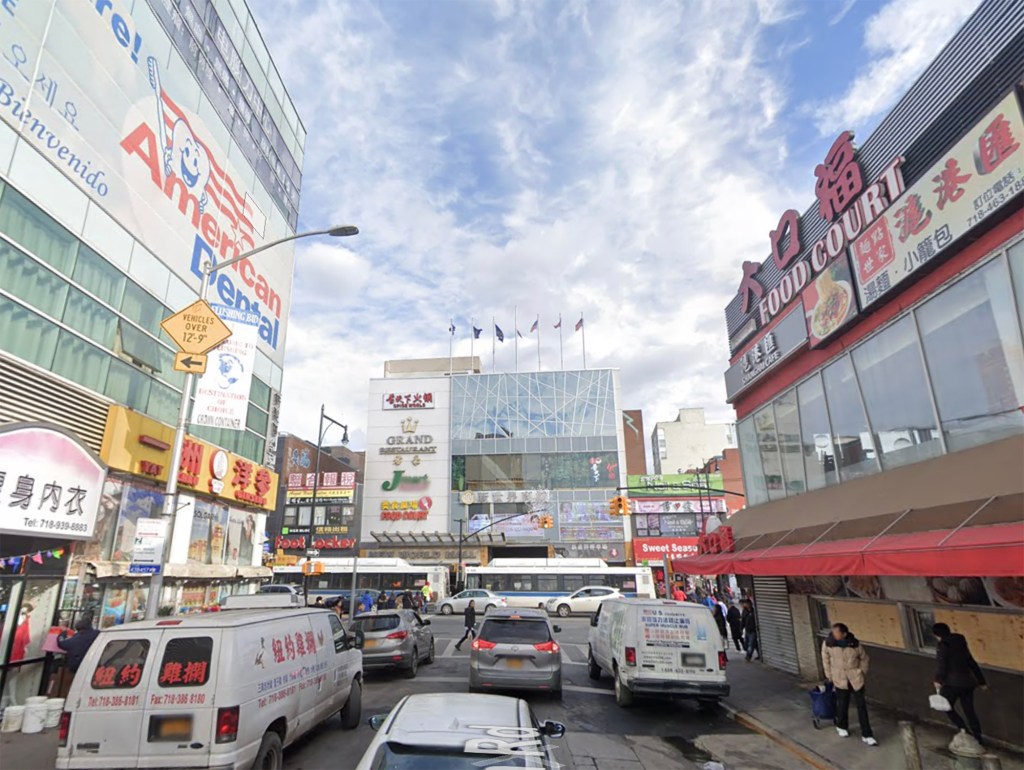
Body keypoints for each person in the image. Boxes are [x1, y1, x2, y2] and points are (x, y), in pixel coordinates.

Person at [822, 623, 876, 746]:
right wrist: (829, 674)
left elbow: (864, 658)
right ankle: (842, 726)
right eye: (833, 632)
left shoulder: (854, 644)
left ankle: (867, 734)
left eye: (837, 632)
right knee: (842, 703)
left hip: (855, 678)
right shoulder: (829, 643)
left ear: (844, 634)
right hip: (840, 678)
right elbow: (825, 658)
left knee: (861, 706)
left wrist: (861, 672)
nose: (834, 634)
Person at [932, 623, 986, 745]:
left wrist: (938, 680)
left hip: (952, 683)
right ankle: (978, 737)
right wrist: (981, 681)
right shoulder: (961, 643)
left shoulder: (943, 645)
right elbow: (971, 662)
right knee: (969, 710)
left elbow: (942, 665)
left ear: (936, 635)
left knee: (947, 707)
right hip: (968, 682)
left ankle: (965, 731)